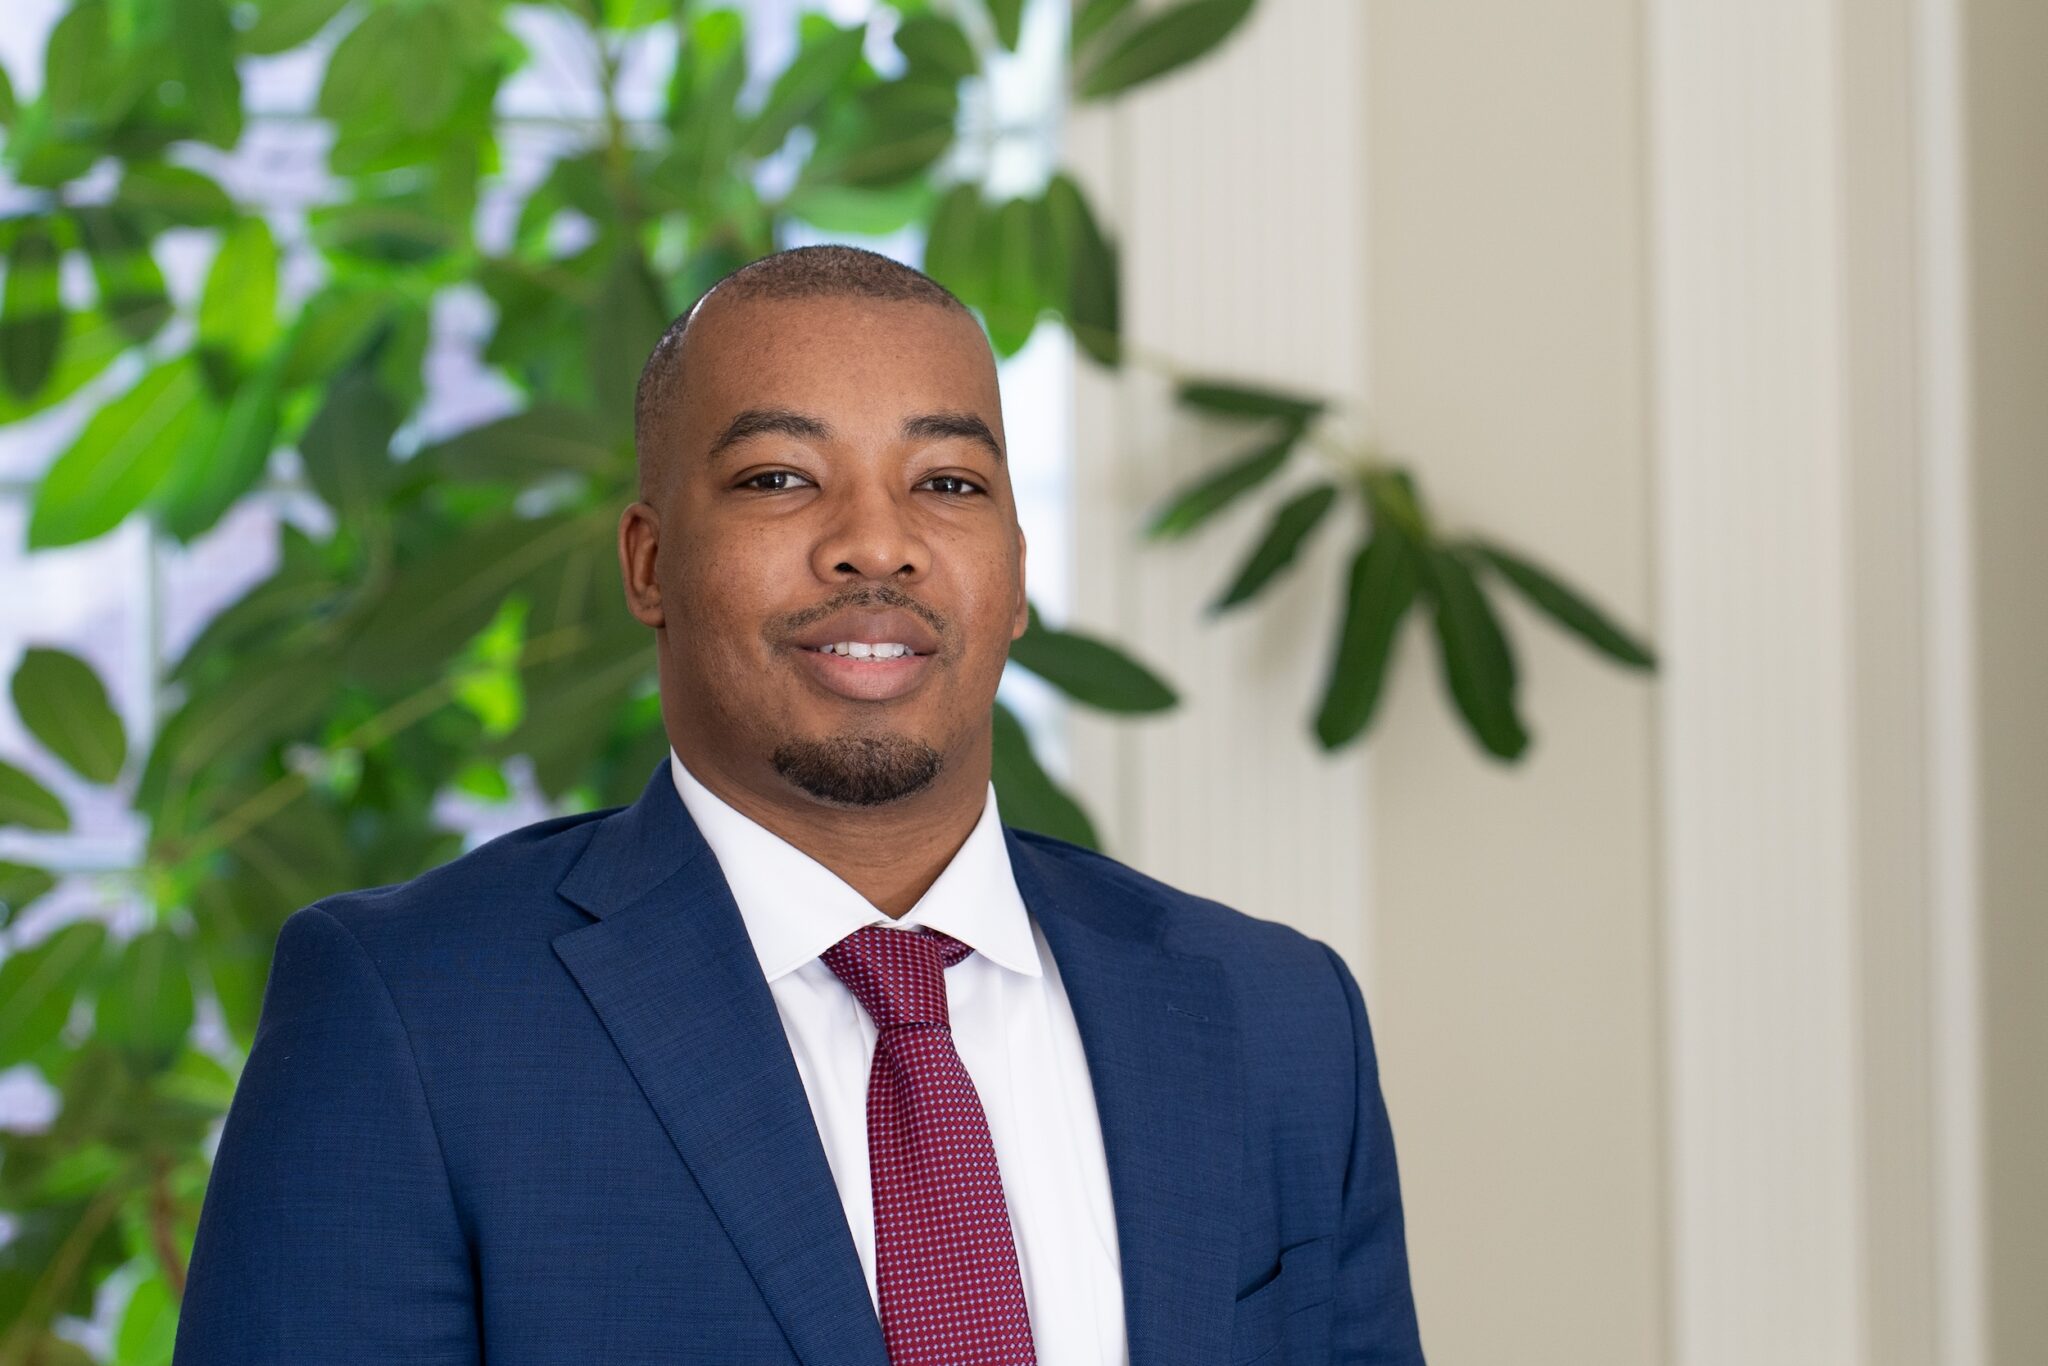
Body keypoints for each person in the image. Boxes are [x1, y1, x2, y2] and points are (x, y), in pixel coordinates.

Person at [172, 244, 1426, 1365]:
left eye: (945, 483)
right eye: (779, 478)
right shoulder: (412, 1017)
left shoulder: (1275, 1022)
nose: (874, 544)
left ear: (1017, 574)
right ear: (649, 562)